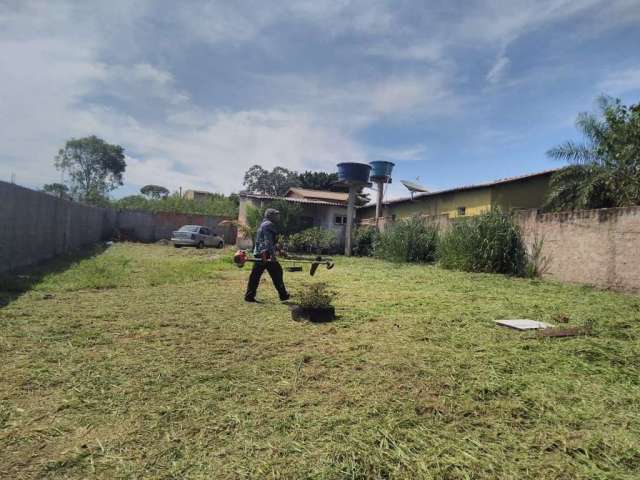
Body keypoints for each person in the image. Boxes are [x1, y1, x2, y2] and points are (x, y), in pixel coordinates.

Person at [244, 208, 290, 302]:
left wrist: (279, 250)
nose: (278, 216)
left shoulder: (263, 224)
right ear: (270, 216)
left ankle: (249, 295)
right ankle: (283, 295)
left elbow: (269, 241)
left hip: (259, 253)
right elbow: (268, 241)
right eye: (276, 215)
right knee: (277, 272)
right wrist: (272, 255)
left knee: (255, 275)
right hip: (266, 253)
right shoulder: (269, 225)